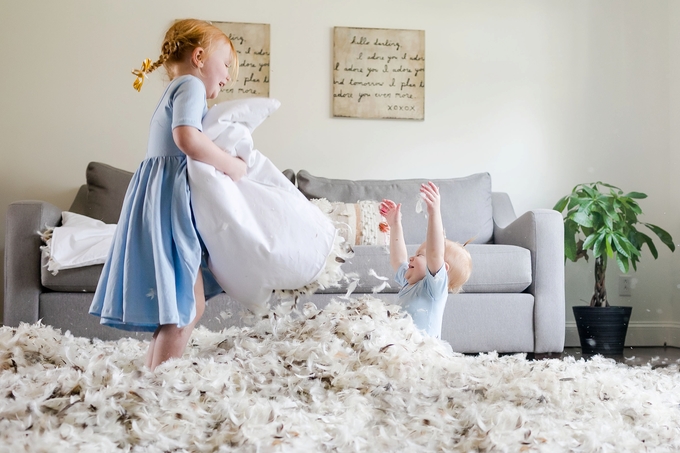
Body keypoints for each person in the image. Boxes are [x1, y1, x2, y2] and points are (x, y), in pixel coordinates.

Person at [89, 19, 243, 370]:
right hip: (168, 207)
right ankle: (160, 380)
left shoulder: (176, 88)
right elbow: (187, 139)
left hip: (160, 201)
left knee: (187, 301)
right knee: (185, 302)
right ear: (200, 57)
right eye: (225, 65)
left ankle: (153, 371)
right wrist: (229, 165)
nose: (228, 77)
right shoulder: (190, 85)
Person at [379, 182, 472, 338]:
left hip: (424, 354)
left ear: (443, 269)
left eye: (422, 255)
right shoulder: (410, 282)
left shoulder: (434, 289)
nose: (412, 257)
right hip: (402, 351)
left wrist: (434, 212)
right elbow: (398, 260)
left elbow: (435, 254)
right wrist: (395, 225)